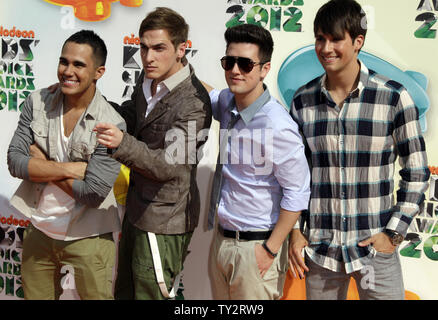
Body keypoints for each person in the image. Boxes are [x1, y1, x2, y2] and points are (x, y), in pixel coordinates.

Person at [289, 0, 430, 300]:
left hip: (375, 253)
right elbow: (295, 175)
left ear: (357, 42)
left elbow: (417, 172)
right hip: (321, 252)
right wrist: (295, 229)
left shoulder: (393, 97)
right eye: (320, 38)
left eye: (336, 39)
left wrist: (392, 234)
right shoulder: (302, 102)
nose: (326, 48)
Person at [94, 7, 212, 300]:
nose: (148, 57)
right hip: (136, 212)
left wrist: (120, 142)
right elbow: (132, 118)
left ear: (181, 49)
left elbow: (167, 166)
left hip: (165, 221)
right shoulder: (147, 80)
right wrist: (92, 102)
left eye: (159, 48)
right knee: (125, 293)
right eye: (143, 47)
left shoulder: (194, 103)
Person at [7, 30, 126, 300]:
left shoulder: (111, 122)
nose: (67, 71)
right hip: (39, 230)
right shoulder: (36, 102)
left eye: (79, 65)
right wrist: (69, 169)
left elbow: (93, 193)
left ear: (99, 71)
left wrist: (41, 165)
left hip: (90, 236)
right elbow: (15, 162)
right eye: (64, 61)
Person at [202, 23, 311, 300]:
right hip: (221, 241)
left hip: (257, 248)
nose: (235, 70)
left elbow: (297, 193)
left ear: (264, 69)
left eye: (246, 64)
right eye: (229, 62)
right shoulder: (227, 102)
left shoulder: (278, 126)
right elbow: (207, 93)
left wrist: (270, 251)